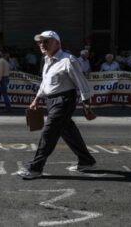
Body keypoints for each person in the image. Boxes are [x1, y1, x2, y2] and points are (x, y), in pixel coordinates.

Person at [17, 30, 96, 180]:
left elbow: (81, 82)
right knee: (68, 131)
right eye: (40, 42)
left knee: (49, 132)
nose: (42, 44)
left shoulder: (68, 60)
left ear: (57, 43)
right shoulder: (47, 60)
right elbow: (45, 82)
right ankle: (87, 161)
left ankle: (35, 168)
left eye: (46, 41)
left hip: (64, 101)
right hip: (51, 101)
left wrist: (87, 103)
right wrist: (37, 99)